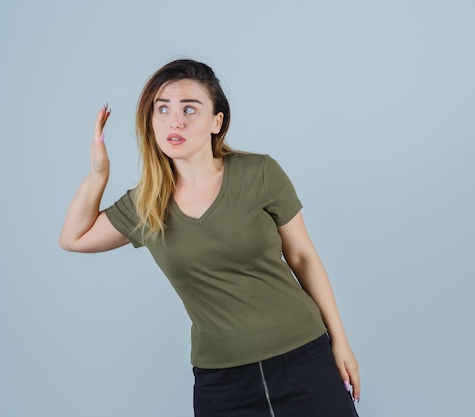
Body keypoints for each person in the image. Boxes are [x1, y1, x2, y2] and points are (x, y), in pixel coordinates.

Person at [59, 59, 361, 416]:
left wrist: (339, 340)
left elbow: (303, 257)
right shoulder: (146, 204)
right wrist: (98, 176)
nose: (175, 120)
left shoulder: (260, 172)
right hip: (223, 382)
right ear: (151, 122)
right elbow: (74, 237)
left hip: (304, 360)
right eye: (163, 109)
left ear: (216, 122)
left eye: (190, 108)